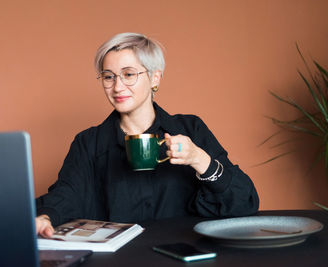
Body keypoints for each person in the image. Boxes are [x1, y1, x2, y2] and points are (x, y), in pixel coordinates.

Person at [35, 32, 259, 238]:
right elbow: (67, 194)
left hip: (182, 255)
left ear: (155, 78)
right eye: (108, 77)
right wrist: (45, 217)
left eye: (129, 74)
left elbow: (244, 202)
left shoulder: (190, 129)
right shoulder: (88, 143)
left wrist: (199, 159)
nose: (117, 86)